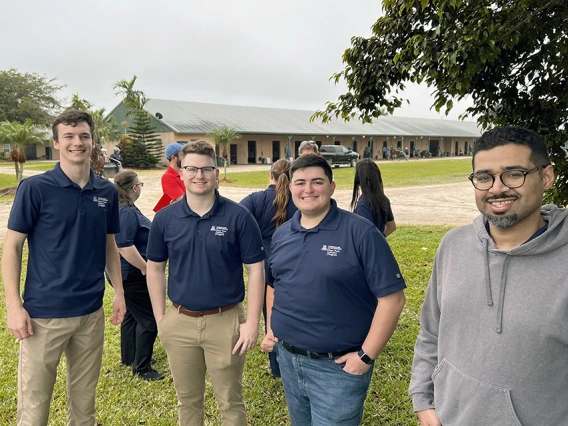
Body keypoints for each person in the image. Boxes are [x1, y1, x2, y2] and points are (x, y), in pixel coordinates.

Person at [409, 126, 568, 426]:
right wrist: (422, 398)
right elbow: (431, 330)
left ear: (546, 176)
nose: (497, 188)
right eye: (484, 177)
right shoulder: (453, 245)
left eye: (514, 173)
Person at [1, 109, 126, 425]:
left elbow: (109, 244)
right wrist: (14, 306)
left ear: (92, 141)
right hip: (44, 316)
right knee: (34, 406)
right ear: (56, 143)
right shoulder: (35, 189)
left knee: (85, 407)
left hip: (90, 314)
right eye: (68, 136)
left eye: (84, 135)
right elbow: (13, 247)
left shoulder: (106, 191)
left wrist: (119, 292)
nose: (77, 142)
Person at [262, 155, 406, 425]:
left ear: (332, 187)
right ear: (289, 188)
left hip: (337, 368)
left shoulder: (360, 233)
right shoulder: (282, 234)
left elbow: (393, 299)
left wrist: (365, 356)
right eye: (300, 182)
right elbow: (273, 285)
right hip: (289, 361)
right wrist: (272, 328)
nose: (308, 189)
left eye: (317, 182)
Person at [146, 141, 265, 425]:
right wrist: (161, 319)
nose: (199, 175)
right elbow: (154, 268)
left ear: (216, 171)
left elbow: (257, 271)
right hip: (180, 320)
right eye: (192, 169)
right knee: (187, 403)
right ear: (181, 172)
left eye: (206, 169)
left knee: (230, 402)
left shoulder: (239, 217)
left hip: (226, 322)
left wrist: (251, 323)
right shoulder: (164, 219)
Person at [240, 158, 297, 379]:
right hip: (294, 265)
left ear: (269, 175)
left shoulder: (256, 199)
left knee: (271, 315)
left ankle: (277, 367)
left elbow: (237, 220)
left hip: (263, 268)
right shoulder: (300, 201)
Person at [113, 171, 164, 381]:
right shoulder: (125, 212)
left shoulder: (125, 208)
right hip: (132, 274)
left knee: (132, 316)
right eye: (140, 184)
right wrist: (145, 268)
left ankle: (130, 356)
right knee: (149, 320)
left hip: (128, 274)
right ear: (134, 188)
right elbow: (124, 246)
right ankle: (142, 367)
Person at [351, 159, 396, 237]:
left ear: (358, 180)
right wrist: (380, 239)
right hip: (377, 247)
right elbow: (391, 226)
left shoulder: (363, 205)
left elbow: (366, 234)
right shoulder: (383, 198)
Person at [153, 142, 185, 212]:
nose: (185, 157)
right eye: (182, 155)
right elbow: (184, 201)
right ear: (174, 158)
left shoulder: (184, 173)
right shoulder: (168, 177)